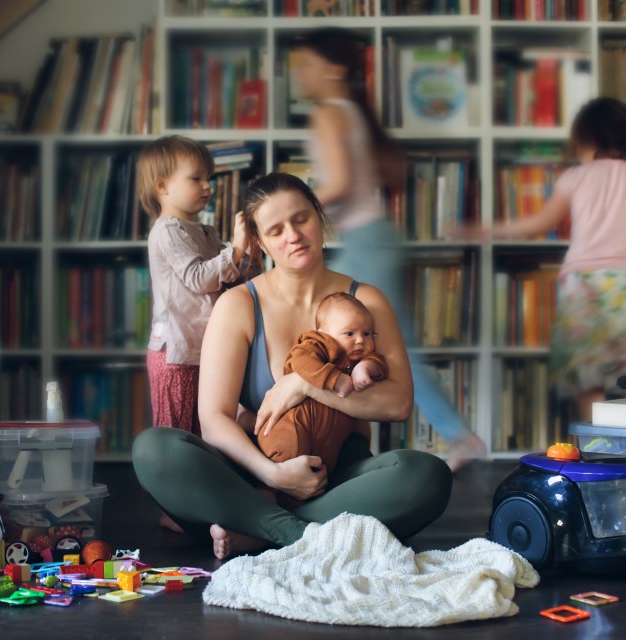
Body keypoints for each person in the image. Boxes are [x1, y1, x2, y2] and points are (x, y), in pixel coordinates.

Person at [133, 173, 452, 560]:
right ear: (260, 240)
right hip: (252, 476)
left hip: (336, 479)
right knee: (155, 449)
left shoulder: (365, 299)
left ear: (319, 217)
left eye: (301, 219)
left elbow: (398, 402)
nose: (293, 236)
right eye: (276, 229)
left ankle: (259, 529)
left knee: (427, 476)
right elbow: (214, 417)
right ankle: (300, 531)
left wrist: (304, 385)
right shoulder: (237, 304)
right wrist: (273, 475)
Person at [292, 27, 486, 470]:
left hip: (364, 241)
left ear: (335, 70)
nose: (300, 75)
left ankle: (457, 436)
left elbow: (339, 182)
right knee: (370, 343)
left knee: (377, 345)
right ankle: (354, 439)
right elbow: (384, 171)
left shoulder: (329, 114)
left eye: (306, 65)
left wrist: (294, 207)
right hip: (376, 237)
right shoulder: (355, 113)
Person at [480, 97, 626, 422]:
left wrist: (487, 229)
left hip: (584, 287)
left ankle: (593, 454)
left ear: (588, 140)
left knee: (587, 377)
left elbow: (539, 224)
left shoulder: (576, 177)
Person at [138, 135, 252, 530]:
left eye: (210, 178)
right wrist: (234, 252)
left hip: (205, 348)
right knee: (175, 434)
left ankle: (203, 503)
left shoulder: (200, 231)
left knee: (207, 430)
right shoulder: (167, 231)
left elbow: (230, 277)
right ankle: (174, 511)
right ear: (163, 186)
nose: (207, 186)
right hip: (177, 352)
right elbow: (200, 278)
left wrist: (244, 251)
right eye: (196, 178)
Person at [257, 291, 389, 479]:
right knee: (288, 453)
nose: (360, 340)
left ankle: (300, 500)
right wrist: (334, 379)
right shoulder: (317, 345)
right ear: (324, 333)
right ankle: (269, 491)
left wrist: (367, 367)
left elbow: (382, 365)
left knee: (320, 474)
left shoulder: (360, 359)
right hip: (293, 427)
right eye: (349, 333)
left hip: (329, 443)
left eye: (367, 333)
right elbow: (301, 361)